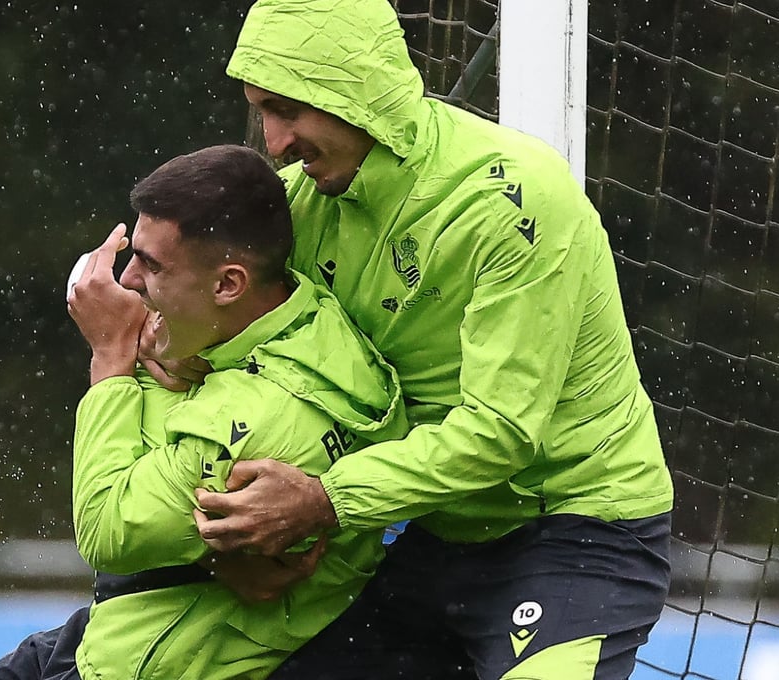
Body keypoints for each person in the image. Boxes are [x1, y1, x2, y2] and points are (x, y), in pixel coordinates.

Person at [181, 1, 676, 678]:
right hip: (427, 531)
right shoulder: (297, 207)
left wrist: (321, 501)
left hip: (575, 529)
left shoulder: (513, 203)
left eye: (287, 111)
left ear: (352, 92)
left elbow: (500, 434)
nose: (274, 143)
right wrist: (144, 349)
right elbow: (218, 345)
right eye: (261, 113)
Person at [0, 144, 407, 679]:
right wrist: (173, 340)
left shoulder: (255, 416)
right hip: (122, 624)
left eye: (151, 266)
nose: (129, 282)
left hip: (151, 658)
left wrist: (113, 358)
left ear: (228, 284)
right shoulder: (299, 319)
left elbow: (107, 529)